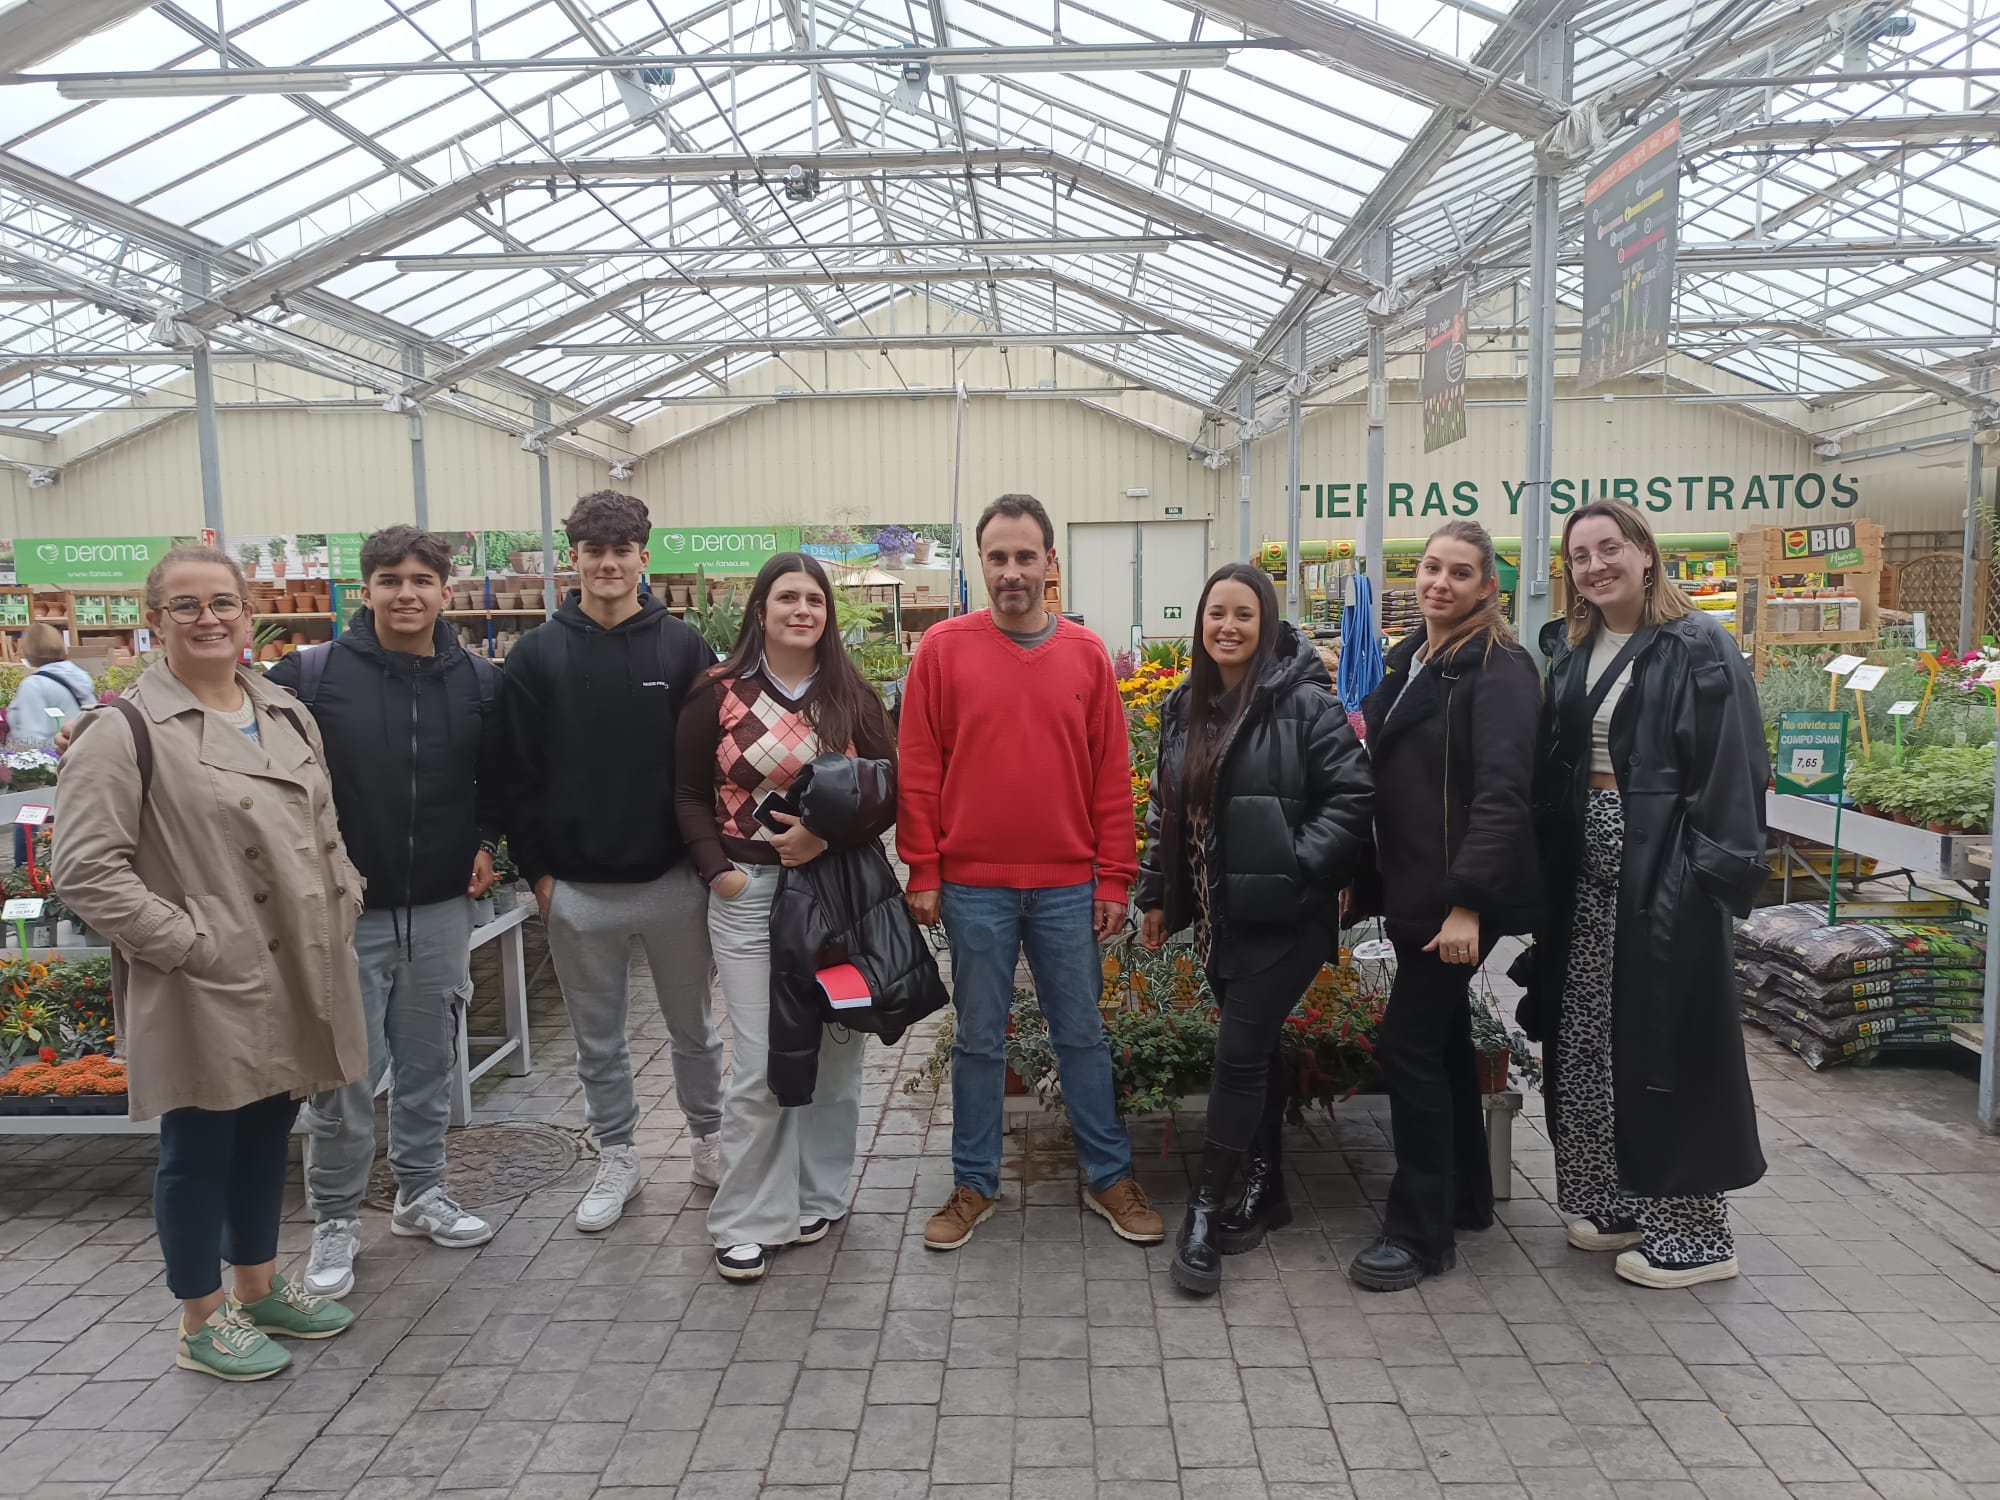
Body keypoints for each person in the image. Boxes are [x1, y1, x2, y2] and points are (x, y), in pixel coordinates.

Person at [53, 543, 365, 1380]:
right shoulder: (124, 731)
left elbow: (320, 825)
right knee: (198, 1145)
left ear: (248, 613)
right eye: (185, 605)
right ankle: (198, 1320)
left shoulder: (284, 710)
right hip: (204, 975)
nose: (207, 619)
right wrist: (185, 942)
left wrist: (347, 893)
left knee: (268, 1129)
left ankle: (258, 1287)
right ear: (154, 620)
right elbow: (83, 867)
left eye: (222, 602)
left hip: (295, 964)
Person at [899, 493, 1164, 1252]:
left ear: (1051, 562)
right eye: (997, 557)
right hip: (972, 886)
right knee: (980, 1038)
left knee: (1082, 1034)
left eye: (1025, 556)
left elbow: (1110, 775)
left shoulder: (1084, 654)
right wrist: (922, 866)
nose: (1011, 571)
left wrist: (1114, 878)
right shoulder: (943, 651)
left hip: (1067, 886)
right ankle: (974, 1184)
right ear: (979, 563)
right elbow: (918, 766)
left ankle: (1108, 1174)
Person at [1525, 500, 1768, 1289]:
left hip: (1666, 871)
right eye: (1580, 555)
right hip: (1588, 877)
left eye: (1610, 548)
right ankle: (1613, 1198)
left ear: (1645, 553)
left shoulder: (1696, 645)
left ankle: (1696, 1232)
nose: (1595, 566)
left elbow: (1736, 770)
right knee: (1589, 1035)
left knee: (1670, 1043)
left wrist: (1709, 879)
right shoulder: (1574, 644)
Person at [264, 527, 503, 1299]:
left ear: (446, 589)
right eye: (391, 579)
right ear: (364, 589)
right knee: (344, 1077)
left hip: (438, 904)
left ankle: (420, 1191)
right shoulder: (310, 675)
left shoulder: (475, 680)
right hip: (346, 909)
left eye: (422, 580)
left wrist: (486, 839)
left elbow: (493, 775)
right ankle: (334, 1216)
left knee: (430, 1058)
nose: (408, 593)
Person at [1137, 563, 1373, 1295]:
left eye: (1244, 614)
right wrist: (1153, 892)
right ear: (1200, 625)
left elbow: (1354, 794)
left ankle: (1204, 1210)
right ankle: (1266, 1186)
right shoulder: (1185, 704)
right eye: (1216, 615)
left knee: (1238, 1053)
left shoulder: (1303, 703)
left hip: (1284, 919)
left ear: (1265, 623)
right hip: (1218, 917)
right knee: (1259, 1050)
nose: (1228, 627)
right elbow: (1163, 810)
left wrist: (1300, 868)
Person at [498, 491, 725, 1232]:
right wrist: (540, 878)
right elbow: (516, 775)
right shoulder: (536, 655)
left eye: (621, 550)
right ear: (575, 558)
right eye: (594, 551)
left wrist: (702, 865)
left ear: (642, 558)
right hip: (578, 891)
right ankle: (618, 1157)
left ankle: (709, 1139)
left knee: (694, 1029)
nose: (607, 564)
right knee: (598, 1039)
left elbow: (707, 768)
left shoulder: (683, 649)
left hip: (671, 883)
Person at [675, 552, 901, 1281]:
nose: (802, 610)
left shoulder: (850, 695)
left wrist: (826, 835)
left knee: (838, 1044)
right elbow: (685, 793)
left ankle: (820, 1192)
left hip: (834, 892)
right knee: (762, 1059)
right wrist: (720, 872)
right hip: (749, 899)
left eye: (814, 599)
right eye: (787, 598)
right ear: (761, 610)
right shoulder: (717, 692)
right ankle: (747, 1216)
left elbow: (891, 788)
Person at [1348, 521, 1540, 1292]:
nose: (1441, 583)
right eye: (1431, 568)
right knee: (1446, 1040)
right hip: (1417, 886)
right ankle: (1465, 1197)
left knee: (1409, 1047)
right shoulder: (1418, 659)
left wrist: (1468, 906)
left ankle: (1420, 1234)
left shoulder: (1500, 669)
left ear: (1488, 588)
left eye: (1461, 573)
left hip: (1455, 894)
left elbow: (1502, 795)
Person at [8, 622, 95, 747]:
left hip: (56, 761)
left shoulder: (34, 685)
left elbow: (32, 739)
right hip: (81, 756)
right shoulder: (80, 677)